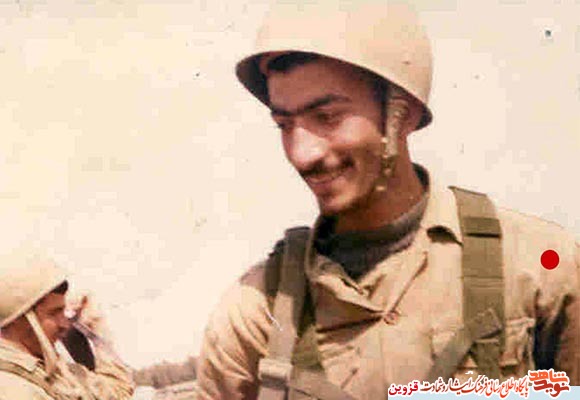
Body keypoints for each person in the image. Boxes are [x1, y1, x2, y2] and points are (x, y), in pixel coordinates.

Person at [195, 2, 580, 399]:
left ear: (403, 114)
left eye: (327, 117)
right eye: (285, 125)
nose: (302, 153)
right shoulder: (255, 315)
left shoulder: (537, 265)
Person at [0, 247, 136, 399]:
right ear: (19, 319)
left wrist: (96, 330)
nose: (65, 324)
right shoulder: (13, 388)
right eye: (53, 313)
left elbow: (116, 393)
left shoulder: (48, 373)